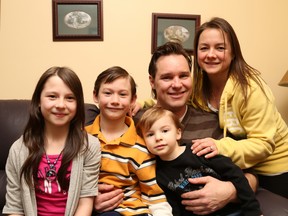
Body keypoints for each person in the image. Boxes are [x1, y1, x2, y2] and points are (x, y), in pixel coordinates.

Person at [190, 17, 288, 199]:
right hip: (240, 168)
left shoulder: (251, 89)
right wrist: (143, 104)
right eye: (204, 48)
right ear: (196, 53)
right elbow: (175, 97)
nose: (211, 54)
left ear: (233, 52)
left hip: (274, 170)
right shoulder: (199, 85)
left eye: (220, 48)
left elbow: (263, 144)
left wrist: (220, 147)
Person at [3, 66, 101, 216]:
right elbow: (14, 208)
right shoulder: (18, 149)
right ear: (38, 101)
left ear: (78, 104)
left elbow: (85, 203)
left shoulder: (90, 146)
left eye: (70, 98)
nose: (61, 105)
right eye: (52, 96)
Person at [137, 106, 262, 216]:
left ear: (178, 133)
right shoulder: (158, 173)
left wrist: (254, 211)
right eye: (150, 135)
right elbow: (175, 208)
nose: (158, 138)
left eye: (165, 131)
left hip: (232, 211)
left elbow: (236, 174)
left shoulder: (199, 151)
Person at [85, 66, 172, 216]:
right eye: (107, 93)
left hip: (133, 211)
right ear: (95, 96)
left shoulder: (141, 148)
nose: (115, 101)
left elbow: (153, 193)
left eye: (123, 94)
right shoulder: (82, 138)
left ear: (133, 100)